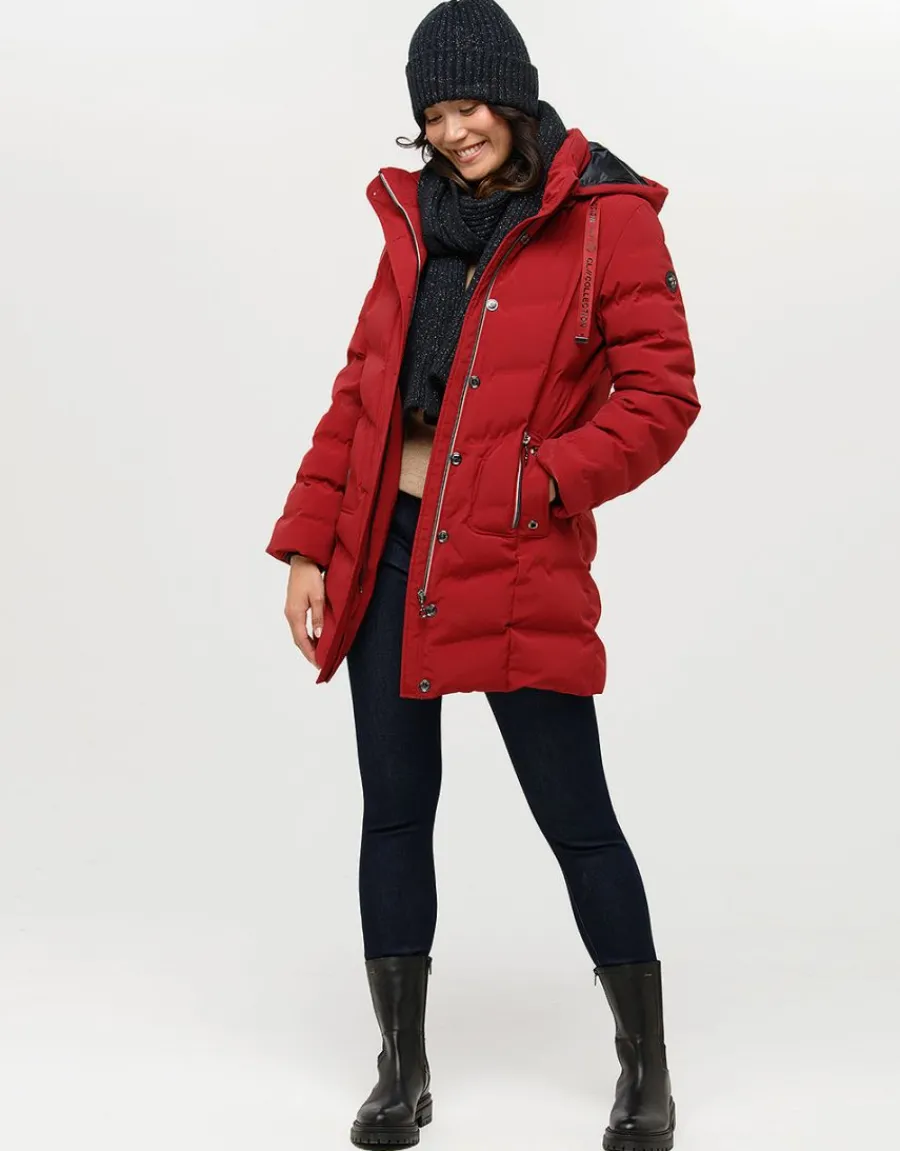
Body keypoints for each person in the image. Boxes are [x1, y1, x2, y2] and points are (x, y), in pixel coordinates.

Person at [265, 1, 700, 1146]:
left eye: (470, 107)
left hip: (512, 549)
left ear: (514, 96)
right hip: (385, 546)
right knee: (395, 808)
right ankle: (399, 1068)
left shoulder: (605, 218)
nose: (454, 133)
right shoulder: (413, 220)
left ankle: (645, 1068)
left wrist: (536, 481)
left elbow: (662, 396)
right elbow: (363, 390)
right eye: (434, 115)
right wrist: (309, 543)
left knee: (577, 816)